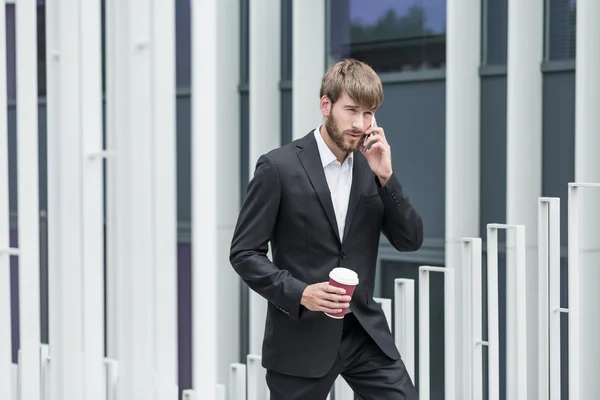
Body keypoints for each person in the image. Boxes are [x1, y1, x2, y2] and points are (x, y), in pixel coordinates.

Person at [229, 59, 423, 399]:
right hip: (300, 338)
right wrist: (302, 293)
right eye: (351, 110)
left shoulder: (371, 167)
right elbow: (245, 253)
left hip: (363, 333)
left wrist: (386, 178)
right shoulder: (278, 167)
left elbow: (410, 240)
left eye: (368, 114)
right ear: (325, 105)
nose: (360, 124)